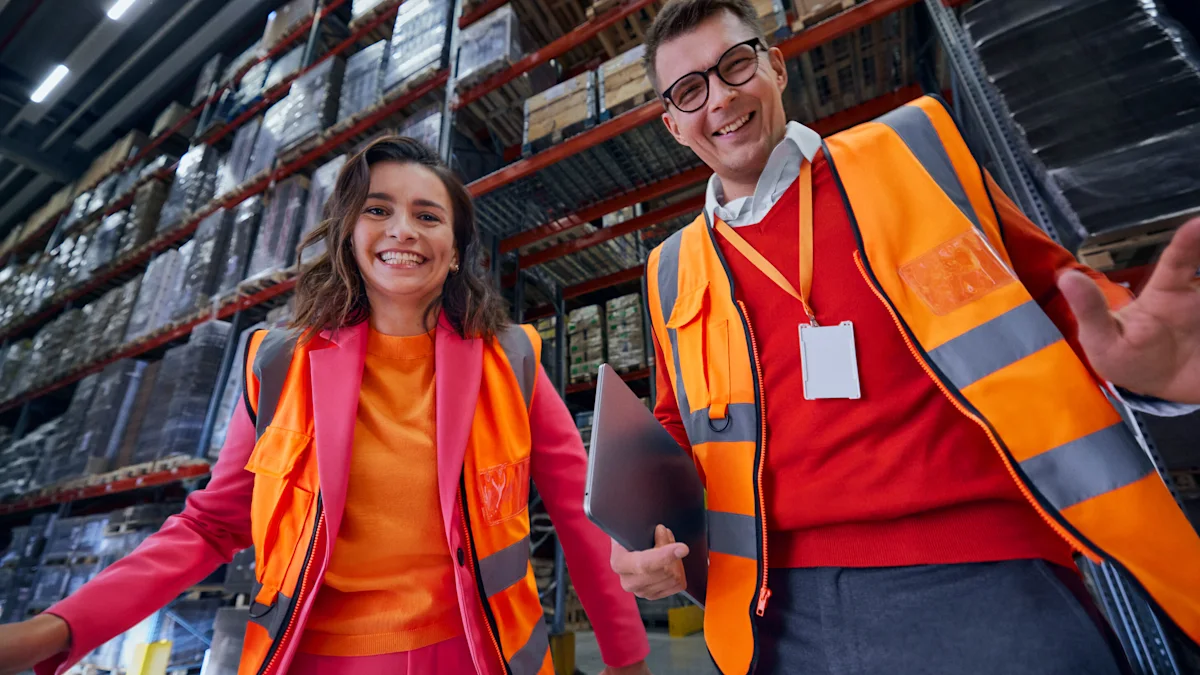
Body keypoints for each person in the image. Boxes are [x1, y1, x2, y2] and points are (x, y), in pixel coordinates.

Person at [609, 1, 1200, 673]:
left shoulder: (910, 152)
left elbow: (1057, 297)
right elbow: (676, 427)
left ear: (774, 65)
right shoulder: (671, 269)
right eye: (690, 91)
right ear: (673, 126)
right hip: (777, 619)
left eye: (735, 64)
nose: (719, 98)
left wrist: (1139, 363)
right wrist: (641, 534)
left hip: (989, 583)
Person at [0, 137, 651, 675]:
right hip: (311, 657)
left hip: (478, 656)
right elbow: (208, 528)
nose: (403, 229)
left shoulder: (512, 359)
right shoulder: (280, 363)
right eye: (378, 210)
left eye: (428, 216)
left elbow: (581, 516)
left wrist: (627, 659)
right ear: (347, 236)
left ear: (455, 253)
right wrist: (58, 627)